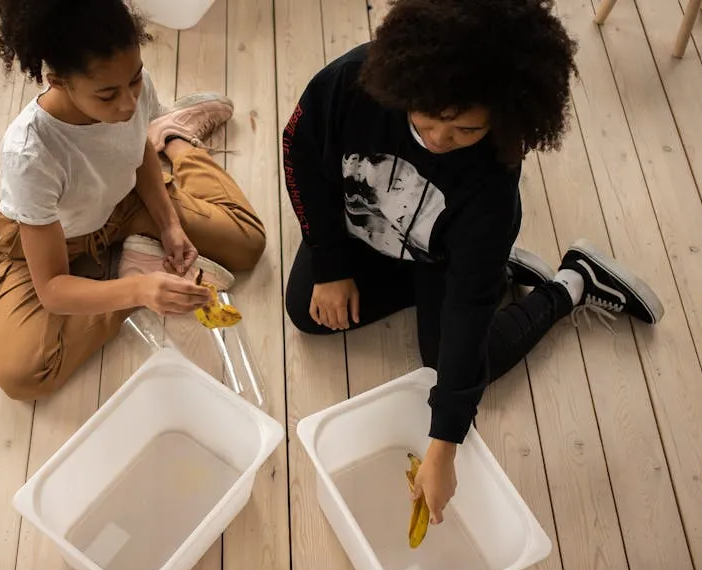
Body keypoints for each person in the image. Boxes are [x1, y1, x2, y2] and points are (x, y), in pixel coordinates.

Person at [283, 0, 664, 525]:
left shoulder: (492, 184)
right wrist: (329, 264)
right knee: (307, 310)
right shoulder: (351, 82)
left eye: (466, 131)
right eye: (428, 119)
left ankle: (572, 283)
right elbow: (299, 154)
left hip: (442, 253)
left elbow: (464, 313)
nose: (440, 141)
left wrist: (444, 445)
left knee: (456, 355)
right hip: (369, 228)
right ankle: (494, 269)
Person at [0, 0, 266, 400]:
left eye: (134, 81)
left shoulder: (132, 89)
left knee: (247, 243)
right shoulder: (30, 153)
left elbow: (139, 154)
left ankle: (177, 136)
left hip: (123, 201)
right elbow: (51, 286)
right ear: (58, 81)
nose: (129, 104)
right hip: (56, 240)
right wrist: (139, 291)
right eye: (107, 95)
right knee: (23, 375)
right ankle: (133, 271)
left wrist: (169, 224)